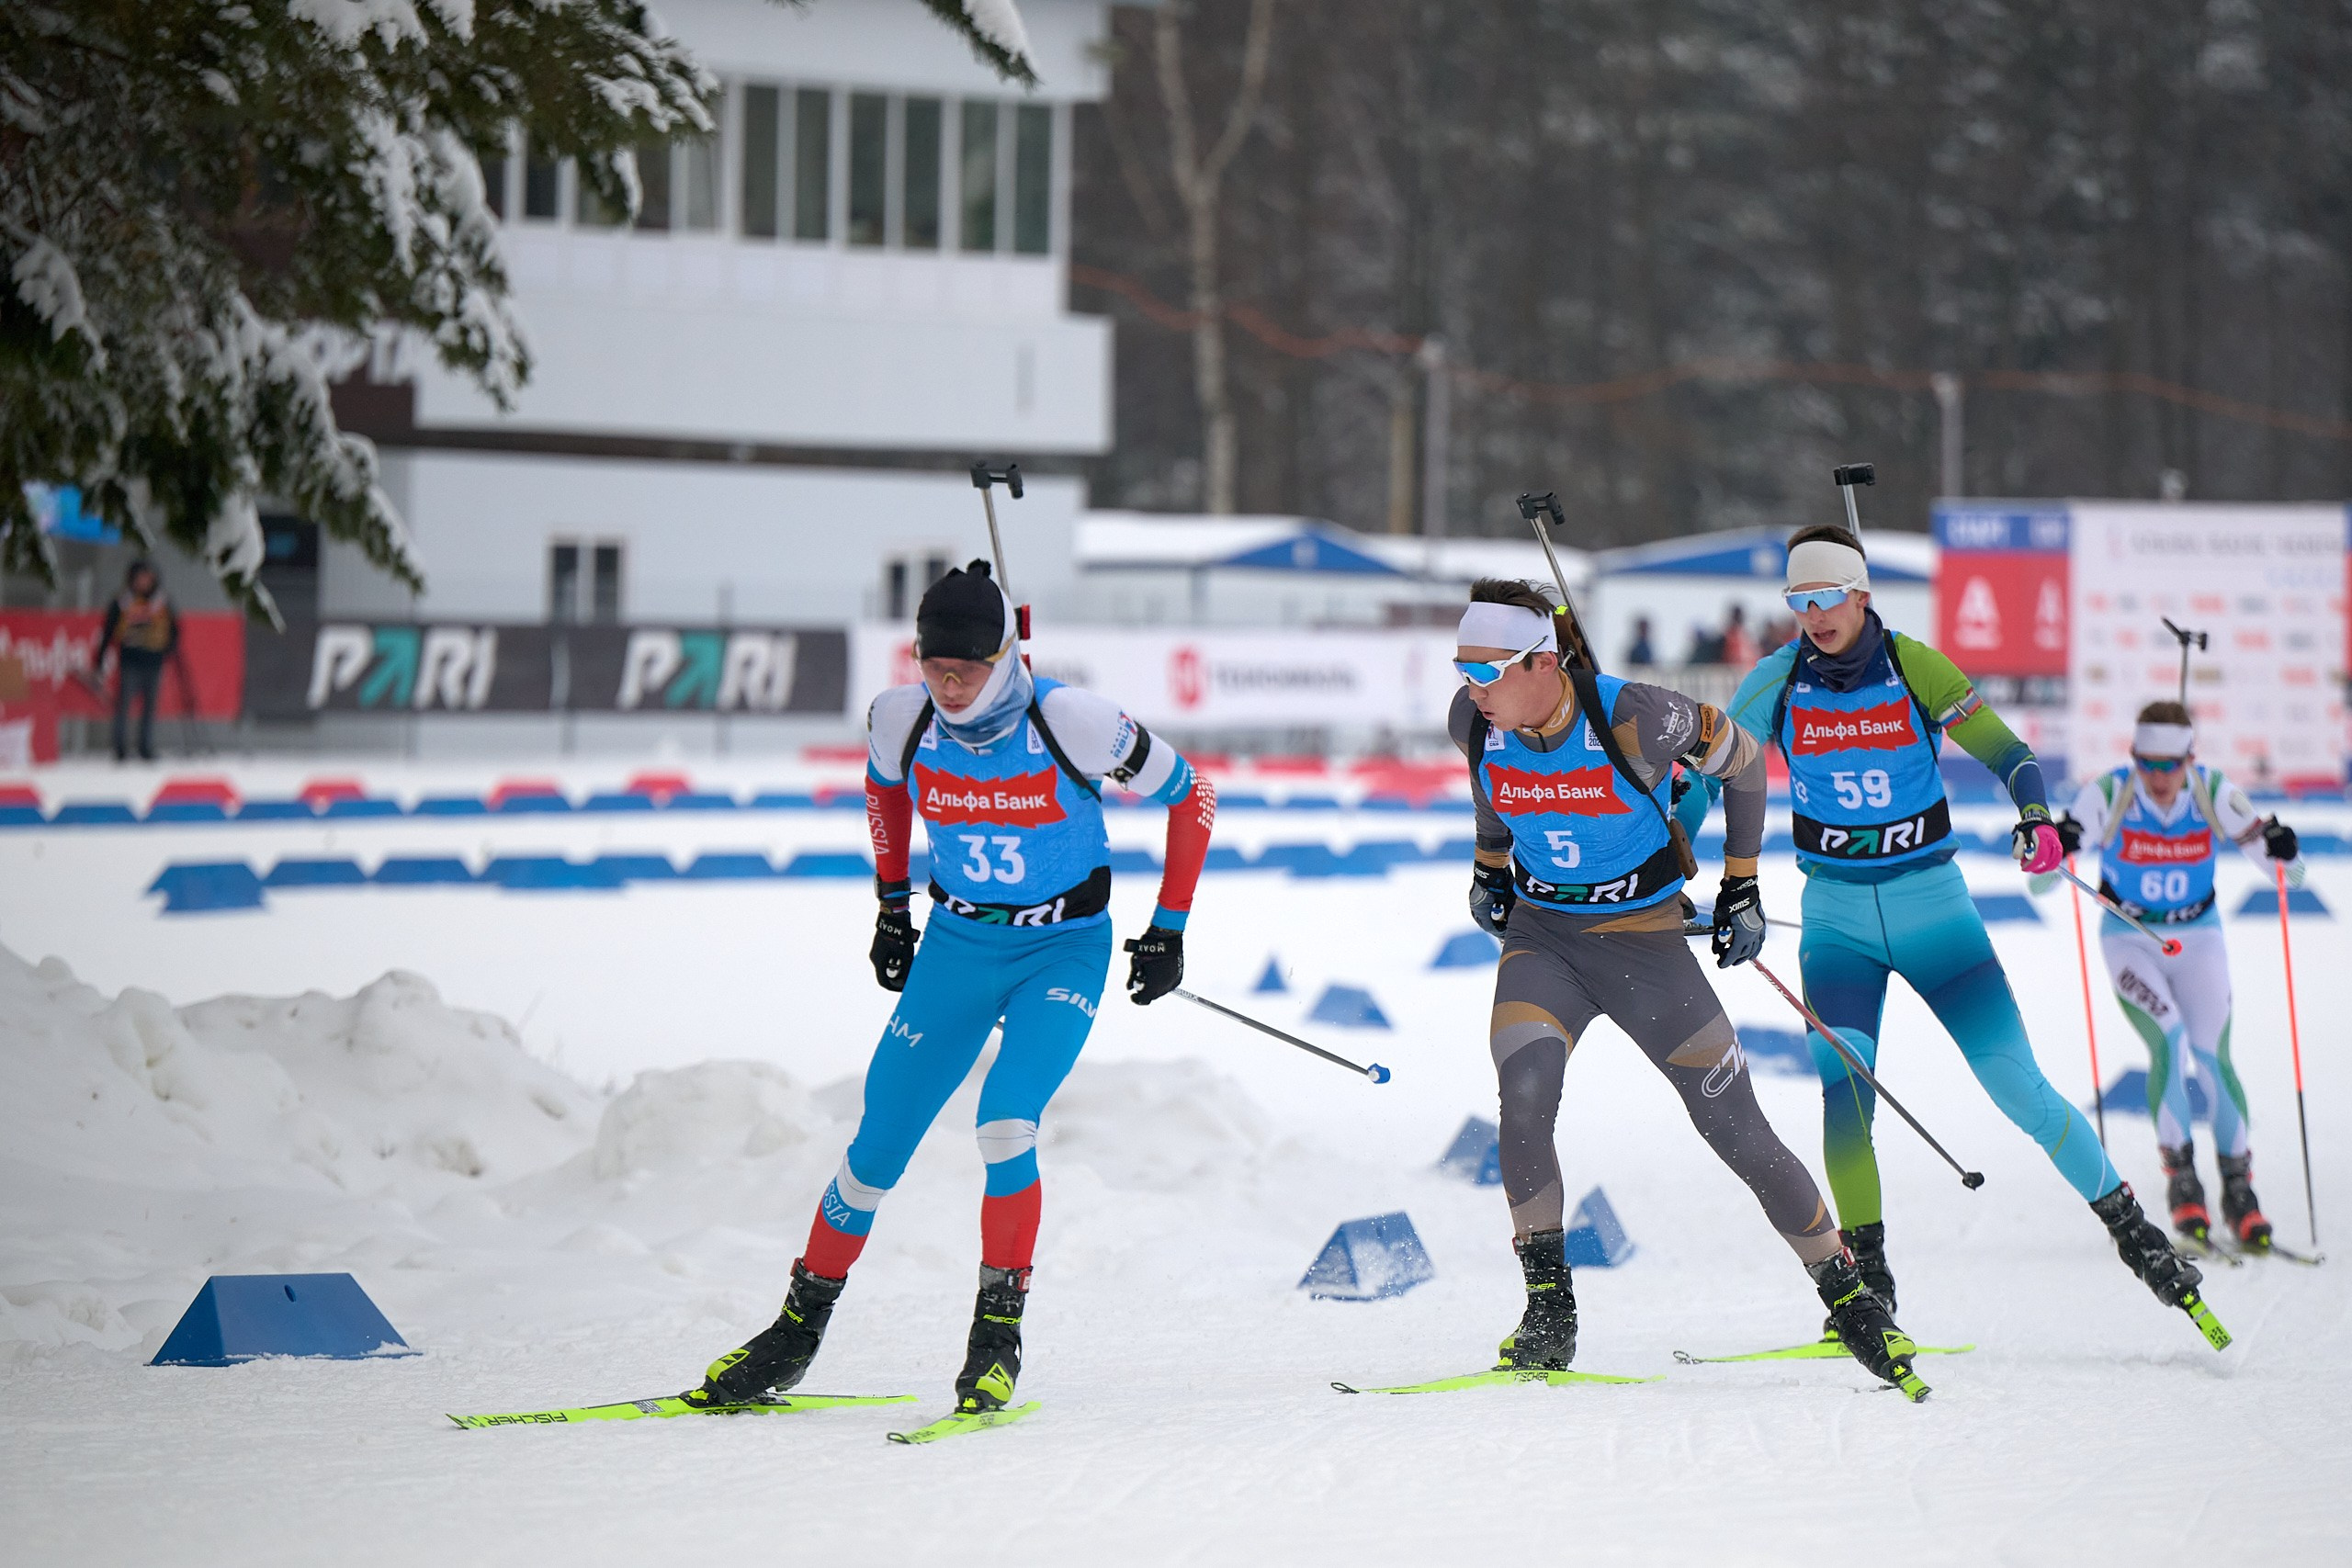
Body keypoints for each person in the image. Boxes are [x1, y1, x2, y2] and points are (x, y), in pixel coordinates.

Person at [688, 560, 1216, 1416]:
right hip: (957, 946)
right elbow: (882, 791)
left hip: (1061, 951)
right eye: (934, 667)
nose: (949, 685)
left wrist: (1169, 928)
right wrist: (890, 907)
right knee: (874, 1150)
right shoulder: (898, 718)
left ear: (1005, 655)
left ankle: (995, 1337)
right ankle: (794, 1332)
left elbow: (1192, 797)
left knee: (1006, 1122)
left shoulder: (1069, 718)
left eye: (967, 668)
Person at [1697, 524, 2221, 1343]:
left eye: (1827, 596)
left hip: (1933, 907)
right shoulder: (1777, 679)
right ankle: (1868, 1280)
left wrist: (2037, 815)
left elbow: (2009, 752)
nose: (1813, 615)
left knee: (2016, 1084)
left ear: (1861, 594)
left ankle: (2139, 1237)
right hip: (1835, 915)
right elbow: (1714, 773)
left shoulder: (1915, 665)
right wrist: (1667, 856)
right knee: (1844, 1091)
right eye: (1799, 600)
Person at [1452, 578, 1928, 1396]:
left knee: (1734, 1127)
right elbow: (1492, 801)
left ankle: (1847, 1294)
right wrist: (1489, 871)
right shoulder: (1475, 722)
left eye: (1487, 670)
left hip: (1646, 947)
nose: (1471, 688)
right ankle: (1548, 1308)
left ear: (1541, 661)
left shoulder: (1635, 714)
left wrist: (1742, 884)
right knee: (1524, 1093)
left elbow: (1745, 764)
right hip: (1545, 941)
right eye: (1462, 668)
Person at [2048, 700, 2305, 1251]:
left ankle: (2240, 1192)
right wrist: (2058, 842)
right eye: (2149, 763)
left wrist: (2284, 849)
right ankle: (2183, 1185)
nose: (2160, 777)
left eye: (2171, 764)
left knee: (2213, 1054)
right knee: (2168, 1038)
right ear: (2135, 757)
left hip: (2200, 938)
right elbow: (2044, 881)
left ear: (2190, 757)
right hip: (2130, 940)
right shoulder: (2111, 792)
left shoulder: (2212, 790)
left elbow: (2290, 874)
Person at [92, 558, 176, 762]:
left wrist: (168, 650)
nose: (144, 582)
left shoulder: (161, 601)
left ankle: (145, 748)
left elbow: (174, 630)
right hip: (130, 662)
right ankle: (120, 749)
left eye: (147, 577)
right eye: (140, 578)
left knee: (149, 707)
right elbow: (109, 629)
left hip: (154, 663)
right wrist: (100, 657)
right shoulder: (124, 601)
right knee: (124, 706)